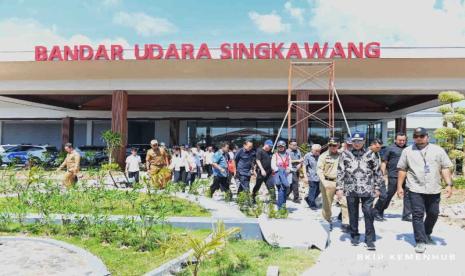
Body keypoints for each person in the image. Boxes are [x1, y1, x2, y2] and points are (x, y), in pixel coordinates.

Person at [396, 127, 453, 254]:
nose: (419, 138)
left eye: (421, 136)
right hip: (415, 188)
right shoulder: (407, 151)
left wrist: (449, 184)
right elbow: (402, 169)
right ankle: (420, 240)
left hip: (434, 188)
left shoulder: (438, 150)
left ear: (427, 137)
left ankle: (427, 233)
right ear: (413, 138)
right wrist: (399, 187)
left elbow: (445, 167)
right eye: (416, 136)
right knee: (417, 214)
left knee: (433, 213)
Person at [336, 132, 383, 251]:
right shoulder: (345, 154)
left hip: (367, 188)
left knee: (368, 213)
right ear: (351, 141)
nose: (357, 143)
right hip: (351, 188)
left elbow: (377, 171)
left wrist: (377, 187)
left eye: (359, 141)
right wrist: (339, 188)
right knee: (353, 213)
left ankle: (369, 239)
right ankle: (354, 235)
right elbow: (340, 171)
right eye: (355, 141)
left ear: (364, 141)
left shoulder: (371, 154)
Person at [374, 133, 412, 221]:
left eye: (403, 140)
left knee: (408, 195)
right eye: (400, 140)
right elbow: (384, 162)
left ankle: (406, 215)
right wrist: (382, 175)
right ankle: (378, 211)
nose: (402, 142)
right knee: (388, 195)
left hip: (407, 176)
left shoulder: (409, 149)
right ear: (395, 140)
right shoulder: (389, 148)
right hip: (394, 176)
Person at [317, 137, 349, 231]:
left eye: (334, 145)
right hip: (328, 182)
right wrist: (324, 182)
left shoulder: (342, 155)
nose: (332, 147)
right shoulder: (323, 156)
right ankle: (327, 221)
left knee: (345, 202)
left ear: (338, 145)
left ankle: (346, 223)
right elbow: (319, 170)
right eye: (330, 145)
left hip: (341, 183)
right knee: (327, 204)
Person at [271, 140, 291, 209]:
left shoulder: (288, 155)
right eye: (279, 146)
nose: (280, 148)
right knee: (281, 189)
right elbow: (273, 165)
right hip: (278, 174)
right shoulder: (275, 155)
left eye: (282, 146)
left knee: (285, 190)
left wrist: (289, 169)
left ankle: (283, 205)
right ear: (277, 147)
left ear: (284, 147)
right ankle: (280, 207)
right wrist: (279, 170)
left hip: (286, 174)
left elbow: (290, 164)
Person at [303, 144, 322, 210]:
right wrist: (305, 176)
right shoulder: (307, 156)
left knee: (319, 190)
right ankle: (312, 204)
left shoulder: (320, 156)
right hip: (311, 176)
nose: (318, 152)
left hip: (319, 177)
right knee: (312, 191)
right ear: (312, 150)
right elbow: (304, 166)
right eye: (316, 151)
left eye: (319, 151)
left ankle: (308, 199)